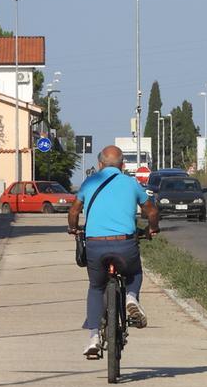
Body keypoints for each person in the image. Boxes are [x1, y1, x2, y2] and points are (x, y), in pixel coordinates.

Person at [68, 145, 160, 357]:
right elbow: (151, 211)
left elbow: (74, 211)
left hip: (95, 245)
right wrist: (152, 228)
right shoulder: (132, 183)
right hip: (125, 245)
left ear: (100, 164)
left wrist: (73, 228)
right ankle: (130, 297)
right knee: (135, 272)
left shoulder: (89, 182)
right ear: (123, 165)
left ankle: (93, 338)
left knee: (96, 287)